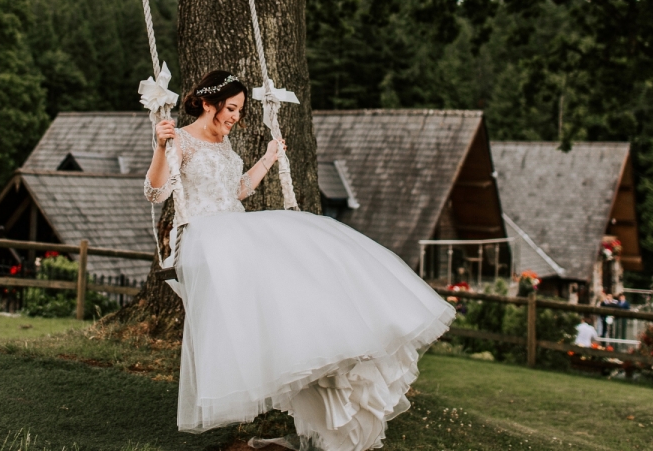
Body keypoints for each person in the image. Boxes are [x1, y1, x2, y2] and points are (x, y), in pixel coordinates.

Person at [145, 71, 454, 451]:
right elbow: (155, 193)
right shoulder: (182, 141)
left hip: (235, 228)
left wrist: (268, 159)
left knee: (308, 259)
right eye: (230, 109)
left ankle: (338, 348)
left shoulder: (225, 146)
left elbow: (237, 190)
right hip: (207, 235)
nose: (235, 117)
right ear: (207, 104)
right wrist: (161, 148)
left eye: (240, 110)